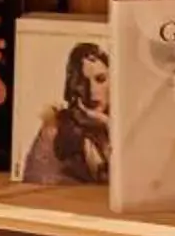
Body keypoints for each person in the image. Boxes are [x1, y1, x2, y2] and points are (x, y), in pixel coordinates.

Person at [19, 39, 110, 185]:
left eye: (100, 79)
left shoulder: (125, 125)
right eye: (82, 82)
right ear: (72, 85)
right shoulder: (56, 131)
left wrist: (108, 124)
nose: (92, 91)